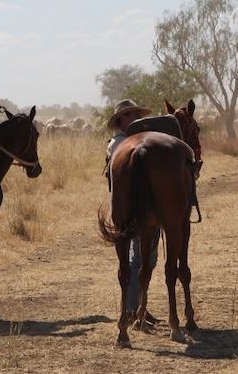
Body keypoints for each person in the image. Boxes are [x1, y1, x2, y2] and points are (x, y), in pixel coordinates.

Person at [105, 99, 161, 326]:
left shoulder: (143, 142)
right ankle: (131, 308)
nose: (135, 118)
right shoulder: (117, 144)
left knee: (148, 258)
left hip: (148, 205)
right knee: (138, 258)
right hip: (129, 207)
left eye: (137, 114)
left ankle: (139, 305)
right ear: (121, 121)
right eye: (129, 116)